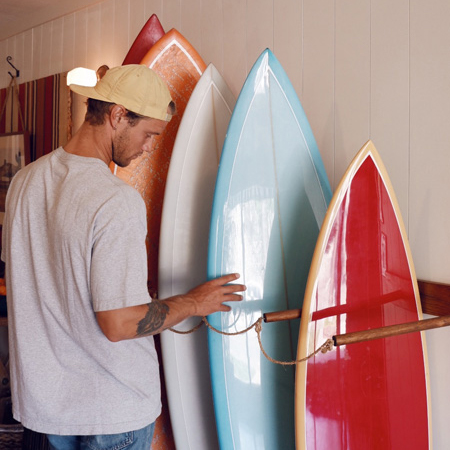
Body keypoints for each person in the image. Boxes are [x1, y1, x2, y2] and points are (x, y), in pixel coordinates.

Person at [0, 64, 246, 450]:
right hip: (111, 412)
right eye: (148, 133)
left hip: (45, 411)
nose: (149, 146)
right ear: (117, 116)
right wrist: (195, 301)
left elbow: (44, 278)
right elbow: (117, 324)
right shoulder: (115, 200)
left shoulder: (24, 182)